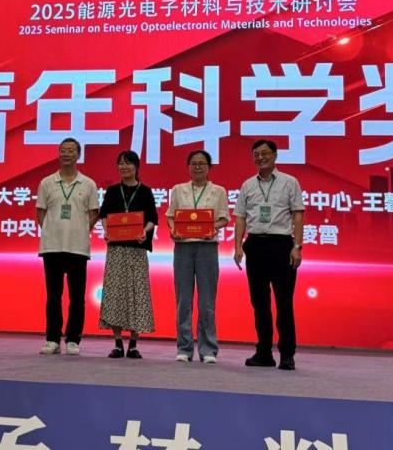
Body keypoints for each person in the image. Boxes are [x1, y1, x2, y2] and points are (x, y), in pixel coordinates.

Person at [233, 139, 305, 371]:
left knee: (284, 303)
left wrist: (297, 246)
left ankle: (287, 354)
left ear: (275, 155)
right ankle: (264, 352)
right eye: (256, 154)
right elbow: (240, 217)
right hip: (255, 245)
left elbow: (298, 215)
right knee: (259, 303)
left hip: (281, 245)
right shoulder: (248, 185)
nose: (260, 157)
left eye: (265, 153)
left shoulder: (289, 182)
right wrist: (238, 246)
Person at [35, 137, 99, 355]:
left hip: (78, 248)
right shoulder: (47, 182)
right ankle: (52, 339)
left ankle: (73, 339)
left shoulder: (88, 184)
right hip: (52, 247)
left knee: (77, 297)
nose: (66, 154)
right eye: (63, 150)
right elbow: (40, 212)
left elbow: (93, 213)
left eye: (71, 150)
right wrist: (53, 230)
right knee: (53, 296)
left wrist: (78, 230)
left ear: (78, 155)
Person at [166, 149, 230, 363]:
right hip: (183, 247)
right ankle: (184, 348)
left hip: (207, 247)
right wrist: (173, 230)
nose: (197, 167)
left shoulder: (218, 191)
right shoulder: (178, 190)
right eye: (193, 163)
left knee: (206, 301)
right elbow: (170, 216)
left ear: (209, 167)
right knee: (183, 300)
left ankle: (208, 349)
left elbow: (224, 218)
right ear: (188, 167)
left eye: (202, 163)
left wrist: (213, 228)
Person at [98, 150, 157, 359]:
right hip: (116, 250)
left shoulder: (145, 191)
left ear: (136, 166)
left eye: (128, 163)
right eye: (120, 163)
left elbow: (153, 219)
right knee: (115, 294)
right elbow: (104, 215)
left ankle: (133, 344)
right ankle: (117, 343)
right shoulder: (112, 191)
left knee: (136, 294)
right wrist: (107, 231)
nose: (124, 167)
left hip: (137, 250)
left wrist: (144, 232)